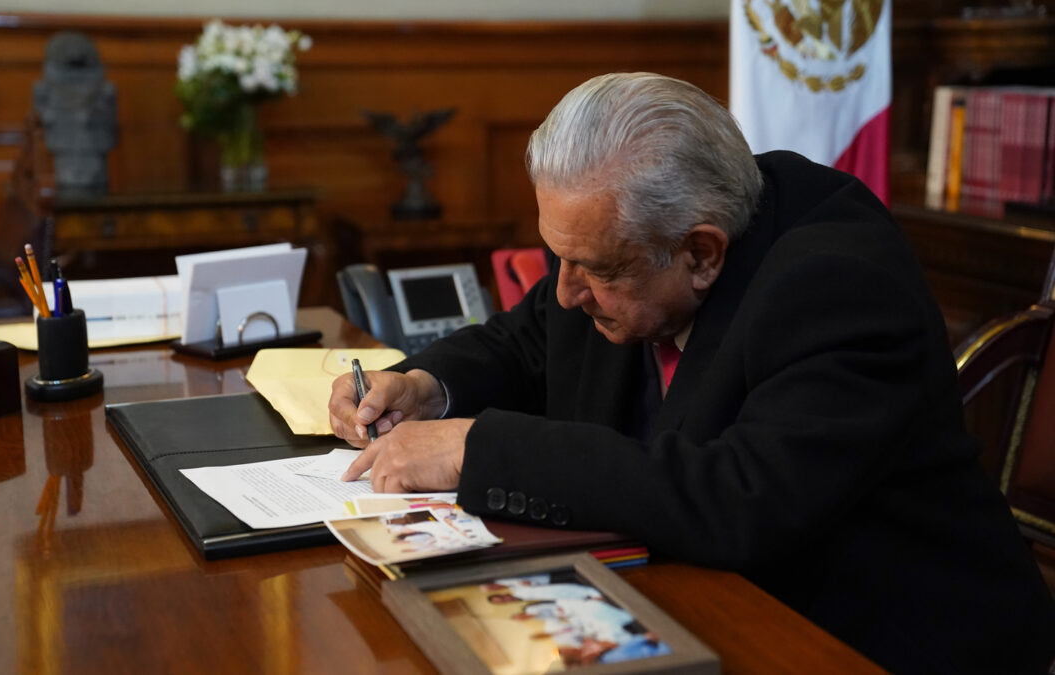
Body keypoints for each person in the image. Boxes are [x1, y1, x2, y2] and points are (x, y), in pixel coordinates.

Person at [329, 72, 1055, 673]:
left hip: (872, 639)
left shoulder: (838, 281)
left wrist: (473, 448)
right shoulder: (619, 236)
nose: (567, 290)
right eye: (561, 258)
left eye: (596, 269)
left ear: (703, 253)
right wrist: (426, 384)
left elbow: (740, 498)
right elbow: (529, 338)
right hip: (684, 601)